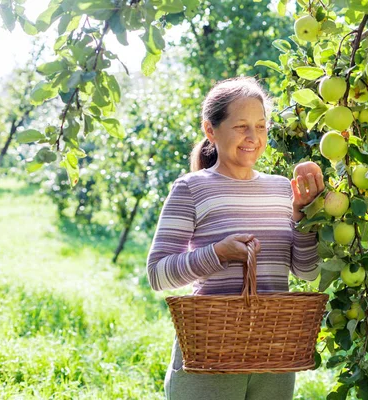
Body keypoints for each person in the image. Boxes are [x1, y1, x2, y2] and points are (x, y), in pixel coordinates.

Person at [146, 76, 325, 400]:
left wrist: (303, 216)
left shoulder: (281, 189)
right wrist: (218, 253)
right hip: (211, 352)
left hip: (273, 352)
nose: (253, 137)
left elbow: (306, 271)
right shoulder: (191, 188)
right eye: (241, 126)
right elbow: (158, 274)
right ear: (210, 130)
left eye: (261, 126)